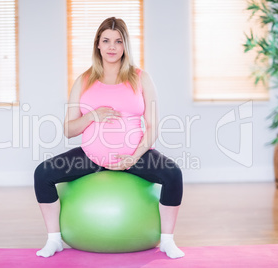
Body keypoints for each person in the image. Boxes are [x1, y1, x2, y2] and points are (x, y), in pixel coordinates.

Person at [34, 17, 184, 259]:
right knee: (43, 173)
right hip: (92, 156)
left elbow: (152, 125)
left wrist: (134, 156)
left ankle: (167, 240)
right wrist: (93, 115)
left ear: (125, 46)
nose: (112, 47)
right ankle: (54, 239)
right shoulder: (83, 80)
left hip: (134, 155)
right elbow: (69, 129)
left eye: (118, 41)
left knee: (173, 174)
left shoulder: (140, 77)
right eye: (106, 41)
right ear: (98, 45)